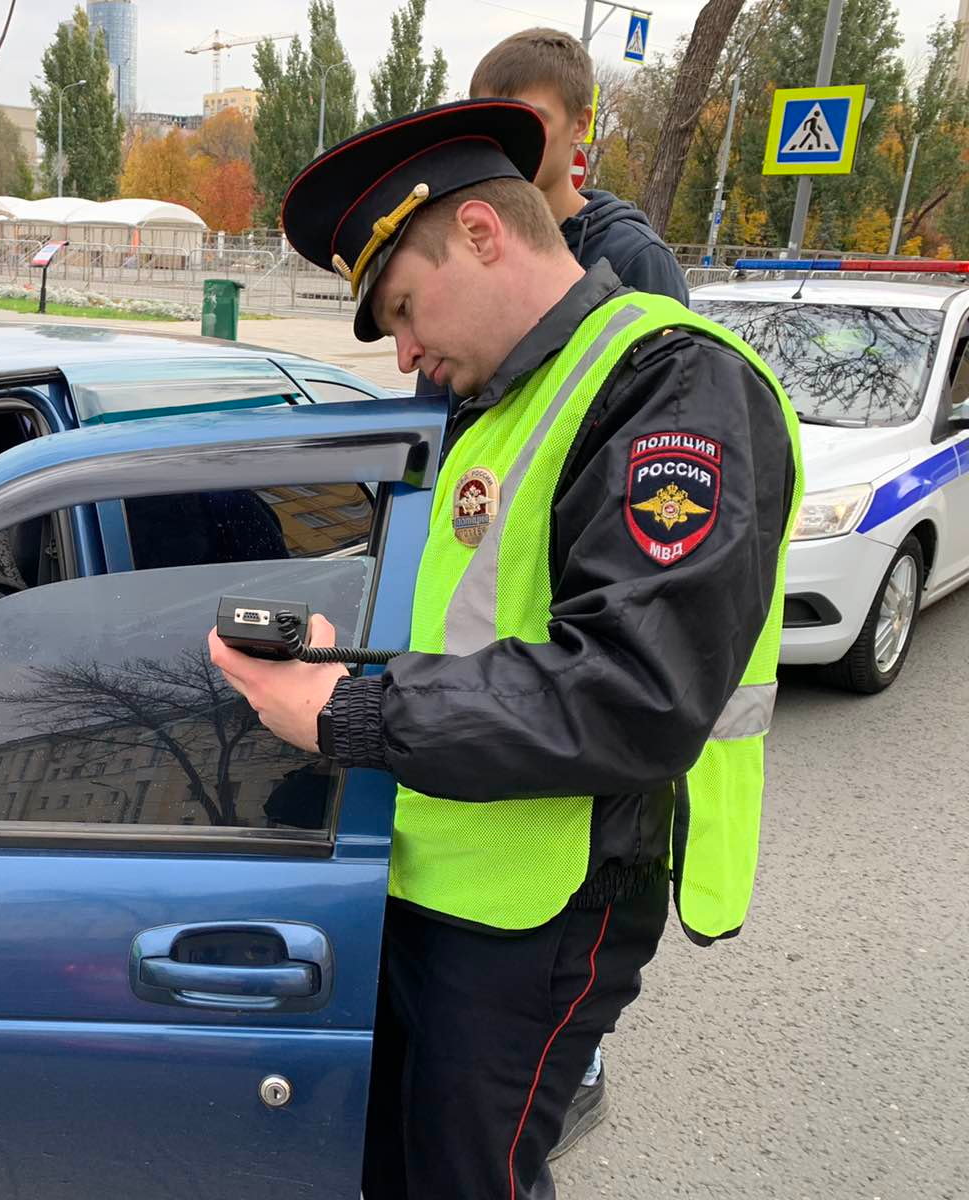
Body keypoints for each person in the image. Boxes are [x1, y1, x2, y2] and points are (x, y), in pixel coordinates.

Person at [209, 97, 800, 1199]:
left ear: (481, 235)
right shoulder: (498, 395)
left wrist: (350, 713)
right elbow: (475, 624)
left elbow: (635, 687)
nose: (403, 352)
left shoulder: (671, 385)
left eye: (401, 307)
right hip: (451, 864)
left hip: (550, 904)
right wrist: (347, 661)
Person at [443, 26, 690, 1155]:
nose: (508, 146)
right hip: (499, 734)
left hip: (571, 772)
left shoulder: (626, 279)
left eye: (529, 127)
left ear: (579, 130)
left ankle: (574, 1063)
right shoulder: (507, 270)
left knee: (498, 1128)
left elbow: (630, 648)